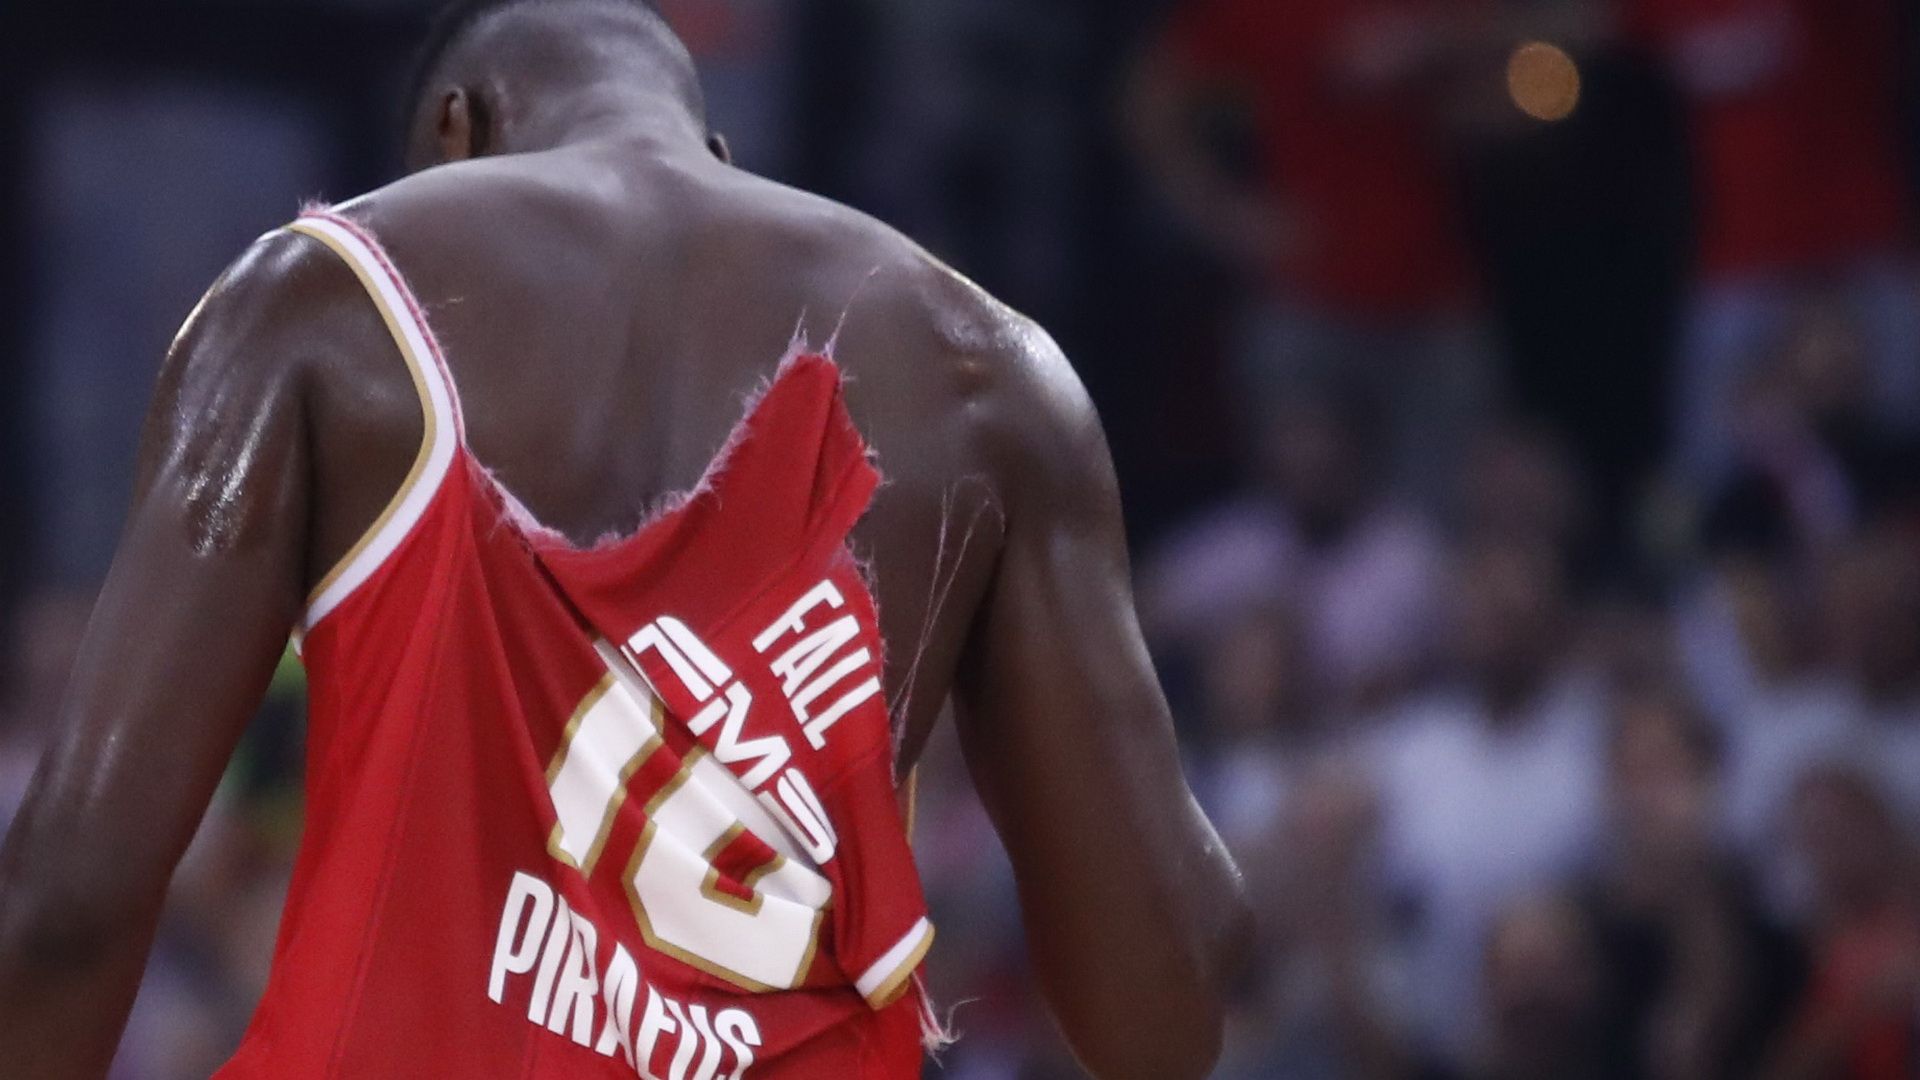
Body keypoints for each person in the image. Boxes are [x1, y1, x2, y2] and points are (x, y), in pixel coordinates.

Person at [0, 2, 1250, 1077]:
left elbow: (72, 900)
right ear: (718, 152)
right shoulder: (991, 381)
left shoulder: (322, 299)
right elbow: (1169, 996)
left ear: (457, 134)